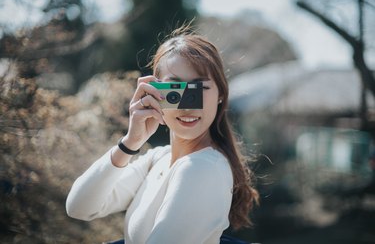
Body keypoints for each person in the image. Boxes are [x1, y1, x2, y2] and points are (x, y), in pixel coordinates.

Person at [66, 25, 259, 244]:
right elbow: (79, 207)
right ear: (154, 93)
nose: (188, 107)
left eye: (199, 90)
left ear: (220, 95)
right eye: (174, 90)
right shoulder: (158, 159)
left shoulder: (203, 167)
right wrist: (131, 142)